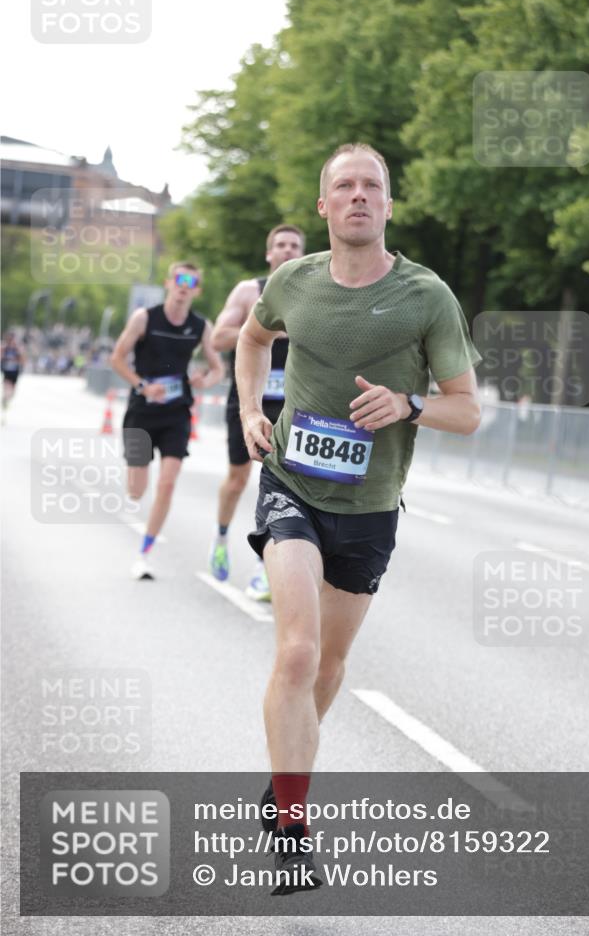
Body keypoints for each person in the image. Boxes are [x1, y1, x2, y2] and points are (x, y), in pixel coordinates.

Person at [236, 143, 482, 895]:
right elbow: (253, 337)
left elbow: (467, 411)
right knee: (300, 651)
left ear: (387, 203)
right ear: (323, 206)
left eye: (370, 186)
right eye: (342, 186)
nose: (357, 196)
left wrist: (409, 404)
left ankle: (282, 782)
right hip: (291, 487)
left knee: (330, 666)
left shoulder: (426, 296)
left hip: (370, 508)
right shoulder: (293, 281)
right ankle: (292, 828)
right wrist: (252, 408)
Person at [209, 225, 305, 600]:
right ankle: (220, 537)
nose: (286, 250)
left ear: (302, 253)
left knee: (282, 487)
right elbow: (218, 338)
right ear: (270, 254)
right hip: (248, 398)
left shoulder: (315, 293)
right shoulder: (250, 290)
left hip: (293, 403)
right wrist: (266, 331)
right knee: (236, 479)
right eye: (280, 245)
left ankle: (264, 569)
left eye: (294, 246)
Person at [111, 262, 223, 579]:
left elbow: (218, 367)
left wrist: (207, 379)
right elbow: (117, 358)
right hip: (141, 412)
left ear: (197, 289)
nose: (184, 286)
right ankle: (135, 485)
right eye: (179, 279)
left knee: (168, 482)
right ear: (168, 283)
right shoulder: (145, 317)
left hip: (176, 413)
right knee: (136, 489)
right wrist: (144, 386)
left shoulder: (201, 326)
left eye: (192, 281)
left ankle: (144, 553)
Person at [1, 332, 26, 416]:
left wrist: (18, 356)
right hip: (7, 371)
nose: (12, 341)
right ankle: (5, 399)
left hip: (15, 372)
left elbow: (22, 360)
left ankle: (7, 399)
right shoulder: (4, 348)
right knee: (6, 387)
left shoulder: (18, 349)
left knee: (13, 392)